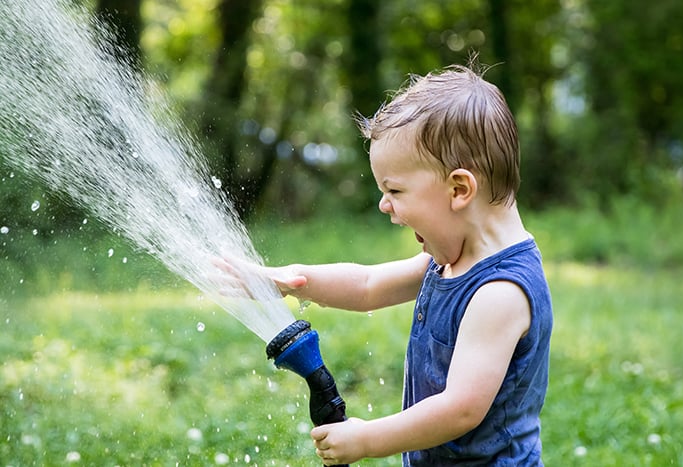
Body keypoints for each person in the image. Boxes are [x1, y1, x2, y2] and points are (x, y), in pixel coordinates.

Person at [219, 60, 553, 466]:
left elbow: (461, 408)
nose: (384, 204)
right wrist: (292, 280)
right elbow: (367, 286)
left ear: (459, 188)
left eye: (394, 189)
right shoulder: (449, 261)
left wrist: (367, 439)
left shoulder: (499, 292)